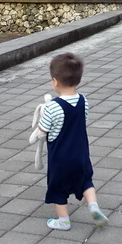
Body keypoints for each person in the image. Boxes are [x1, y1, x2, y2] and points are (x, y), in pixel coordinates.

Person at [36, 53, 109, 231]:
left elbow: (42, 131)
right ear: (78, 79)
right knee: (86, 181)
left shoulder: (53, 107)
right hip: (81, 154)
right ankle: (93, 206)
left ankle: (63, 220)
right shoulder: (84, 101)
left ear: (55, 81)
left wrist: (38, 129)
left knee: (58, 188)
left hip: (60, 158)